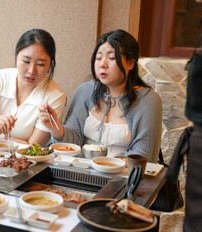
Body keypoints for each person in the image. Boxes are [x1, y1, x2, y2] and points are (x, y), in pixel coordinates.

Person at [39, 29, 162, 162]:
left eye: (111, 58)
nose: (102, 64)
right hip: (82, 172)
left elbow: (142, 154)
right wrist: (56, 128)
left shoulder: (148, 100)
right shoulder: (85, 90)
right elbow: (73, 140)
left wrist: (104, 165)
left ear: (131, 63)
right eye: (98, 58)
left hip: (124, 178)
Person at [0, 28, 66, 147]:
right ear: (16, 57)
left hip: (24, 162)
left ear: (50, 65)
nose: (31, 71)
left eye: (40, 64)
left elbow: (32, 146)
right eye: (26, 61)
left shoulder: (55, 96)